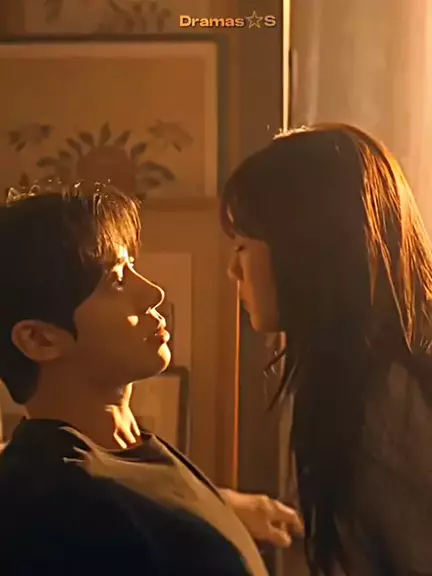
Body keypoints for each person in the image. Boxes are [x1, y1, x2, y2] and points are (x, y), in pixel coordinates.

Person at [0, 181, 301, 575]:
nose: (154, 293)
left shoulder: (128, 449)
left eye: (132, 268)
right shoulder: (51, 505)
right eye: (115, 281)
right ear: (39, 339)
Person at [220, 123, 432, 575]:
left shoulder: (389, 398)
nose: (232, 270)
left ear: (304, 249)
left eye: (242, 246)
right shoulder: (357, 376)